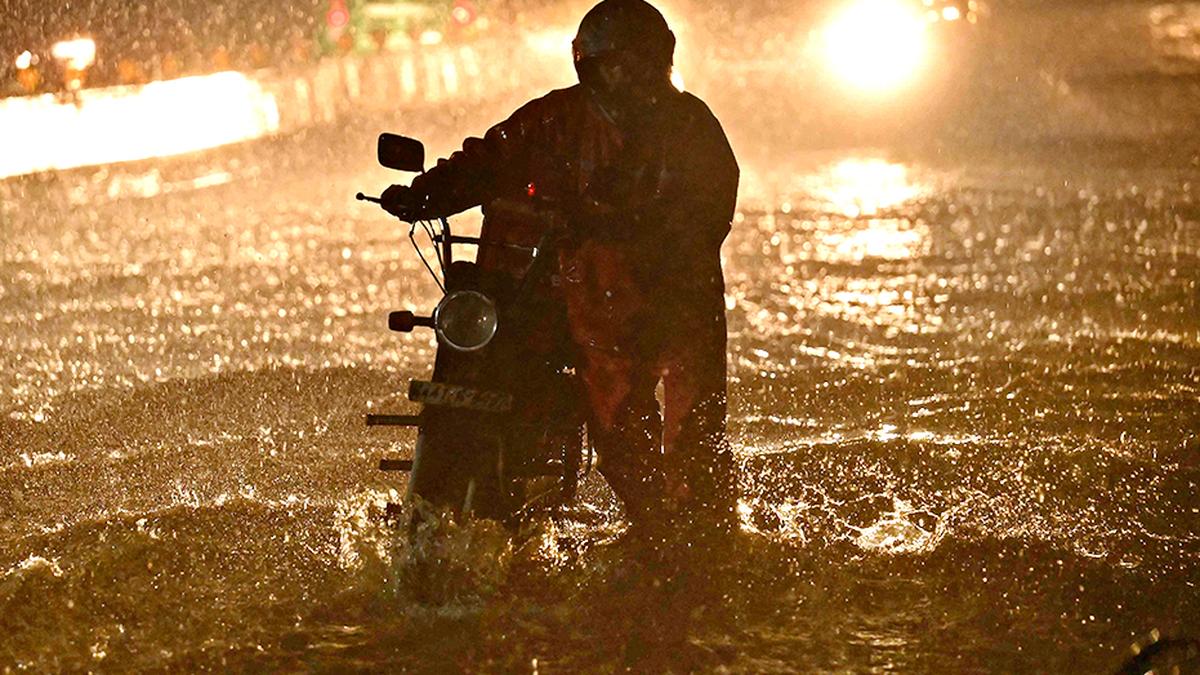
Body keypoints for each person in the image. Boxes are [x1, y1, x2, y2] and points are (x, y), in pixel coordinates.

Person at [382, 0, 739, 549]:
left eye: (638, 63)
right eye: (614, 64)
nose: (627, 76)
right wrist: (425, 195)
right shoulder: (555, 118)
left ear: (660, 61)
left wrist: (618, 228)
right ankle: (648, 526)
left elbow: (707, 215)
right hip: (591, 302)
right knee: (620, 433)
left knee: (694, 432)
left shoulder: (693, 128)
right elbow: (489, 160)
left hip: (675, 301)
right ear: (589, 66)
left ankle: (701, 542)